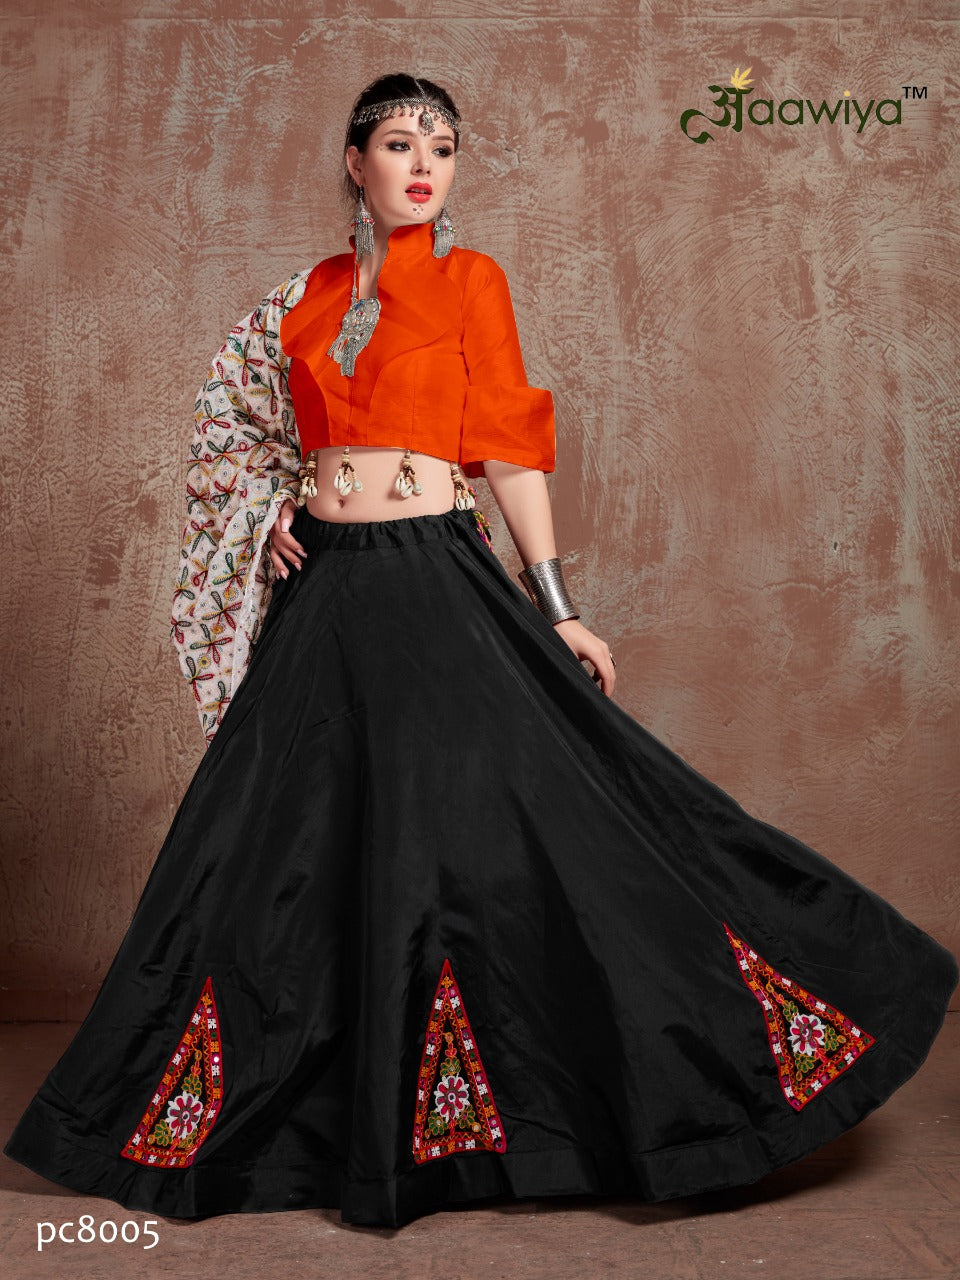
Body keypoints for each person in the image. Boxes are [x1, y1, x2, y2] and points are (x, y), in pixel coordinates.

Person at [4, 72, 957, 1231]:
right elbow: (233, 427)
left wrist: (557, 605)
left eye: (443, 148)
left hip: (431, 581)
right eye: (400, 143)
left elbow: (507, 447)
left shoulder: (472, 282)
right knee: (270, 851)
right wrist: (267, 517)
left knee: (524, 831)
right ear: (353, 159)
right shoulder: (301, 299)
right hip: (325, 598)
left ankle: (648, 1089)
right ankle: (288, 1128)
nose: (424, 166)